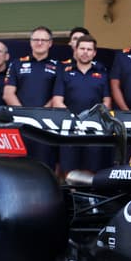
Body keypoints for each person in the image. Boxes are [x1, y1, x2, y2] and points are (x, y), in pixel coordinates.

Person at [51, 35, 111, 172]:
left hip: (94, 129)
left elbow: (107, 102)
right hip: (70, 129)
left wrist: (91, 119)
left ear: (94, 53)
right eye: (82, 48)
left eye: (89, 49)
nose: (85, 52)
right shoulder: (64, 72)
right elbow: (57, 101)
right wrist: (75, 120)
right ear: (76, 50)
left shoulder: (102, 73)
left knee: (93, 169)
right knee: (68, 170)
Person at [3, 27, 58, 108]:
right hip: (20, 117)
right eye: (36, 40)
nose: (39, 43)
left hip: (46, 116)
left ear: (50, 43)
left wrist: (41, 114)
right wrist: (24, 114)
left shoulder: (58, 66)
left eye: (43, 40)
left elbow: (58, 96)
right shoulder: (16, 64)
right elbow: (8, 94)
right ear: (30, 42)